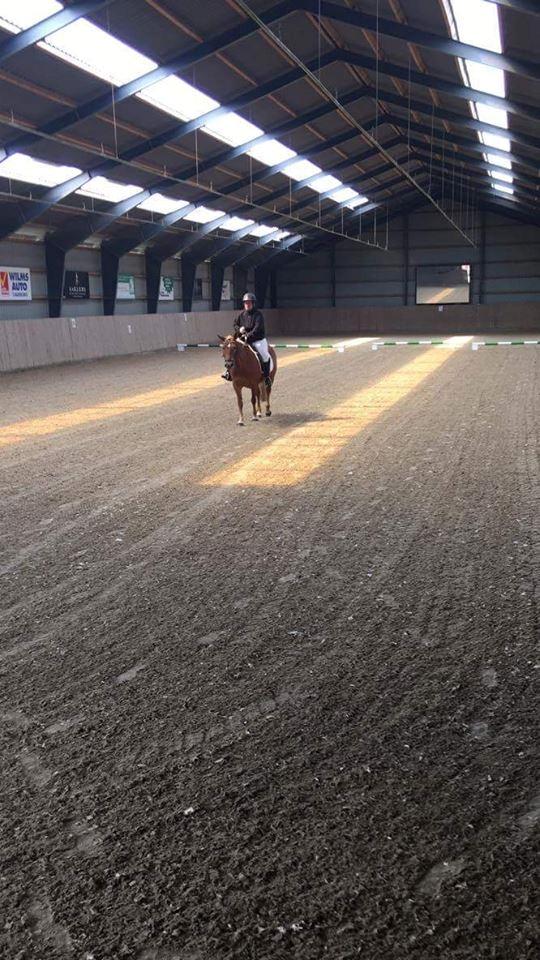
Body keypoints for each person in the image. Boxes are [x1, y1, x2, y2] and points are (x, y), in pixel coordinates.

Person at [221, 292, 272, 387]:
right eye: (245, 303)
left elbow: (257, 328)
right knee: (232, 351)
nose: (247, 304)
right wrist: (239, 329)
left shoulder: (258, 315)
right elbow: (235, 324)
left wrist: (248, 335)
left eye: (249, 303)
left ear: (253, 303)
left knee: (264, 355)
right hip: (243, 339)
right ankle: (228, 372)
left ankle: (266, 377)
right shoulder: (241, 314)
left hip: (257, 340)